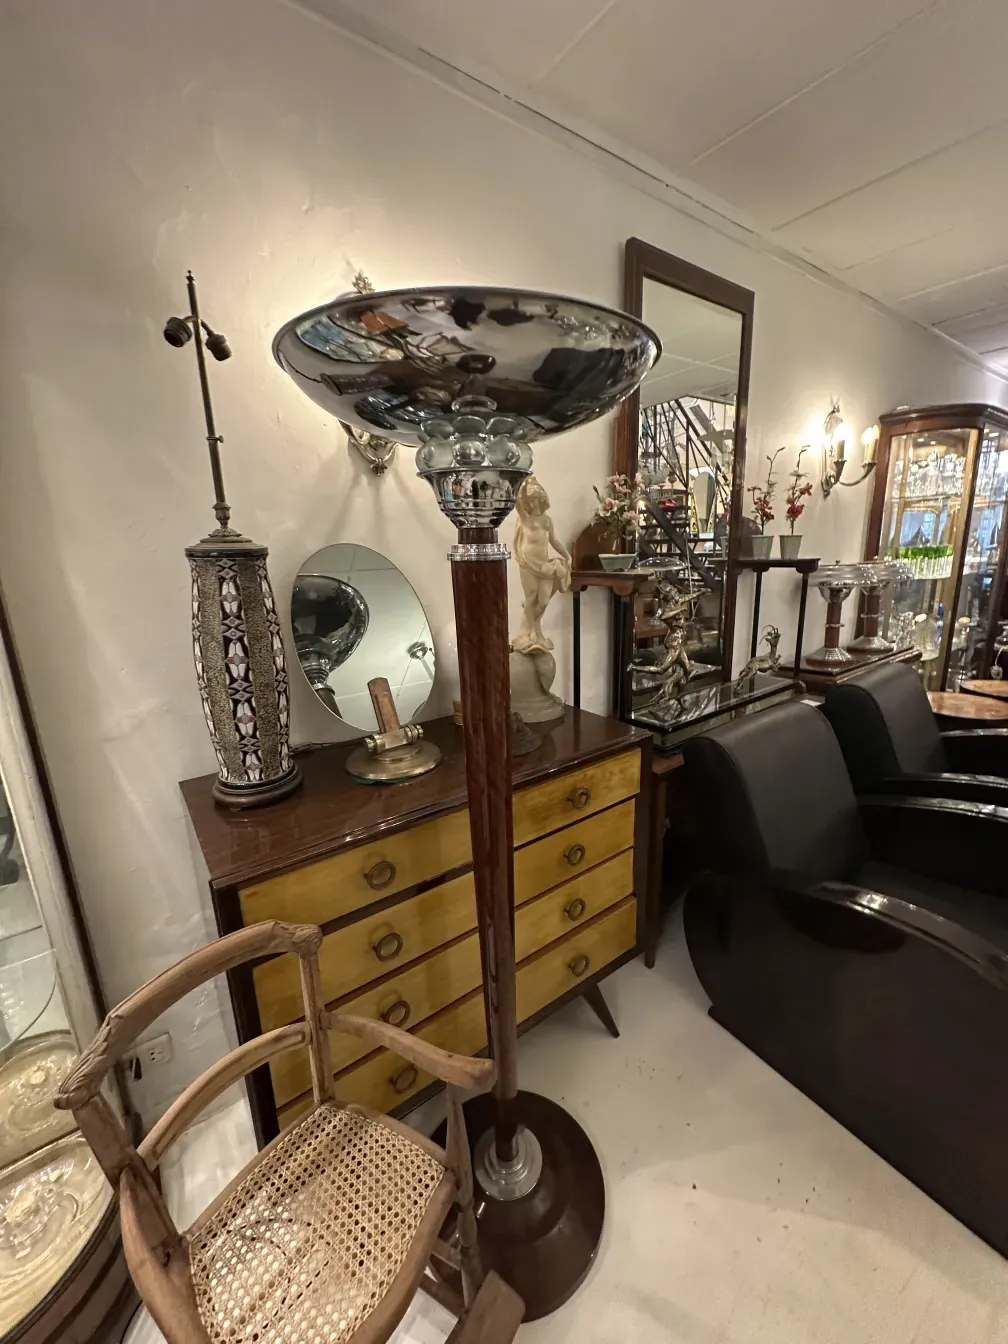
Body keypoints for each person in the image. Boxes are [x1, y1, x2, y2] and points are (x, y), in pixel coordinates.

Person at [511, 476, 571, 654]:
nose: (533, 503)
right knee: (531, 598)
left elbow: (554, 541)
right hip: (528, 563)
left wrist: (567, 556)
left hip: (545, 565)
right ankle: (526, 634)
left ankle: (534, 627)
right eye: (530, 500)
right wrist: (520, 481)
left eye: (536, 499)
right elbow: (516, 501)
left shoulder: (547, 521)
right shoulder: (524, 518)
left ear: (542, 500)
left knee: (543, 601)